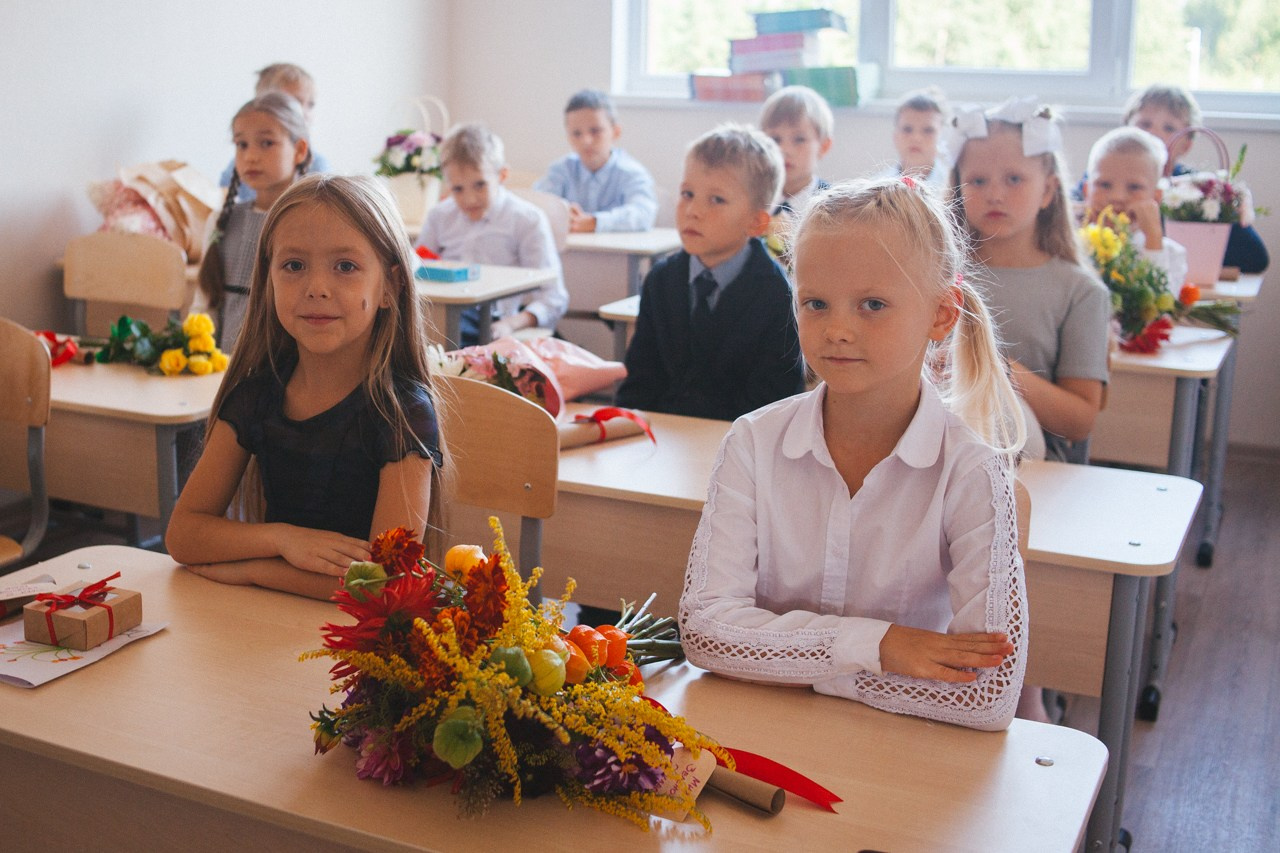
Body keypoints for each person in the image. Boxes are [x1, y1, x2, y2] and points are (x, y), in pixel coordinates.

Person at [679, 177, 1029, 732]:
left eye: (873, 305)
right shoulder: (752, 442)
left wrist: (788, 662)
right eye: (815, 303)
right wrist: (880, 646)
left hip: (901, 754)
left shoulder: (972, 473)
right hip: (761, 732)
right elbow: (704, 631)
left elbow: (985, 695)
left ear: (942, 314)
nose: (837, 329)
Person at [167, 175, 444, 601]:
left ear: (390, 286)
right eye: (293, 266)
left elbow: (383, 585)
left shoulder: (403, 413)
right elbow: (183, 535)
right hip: (262, 627)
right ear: (269, 279)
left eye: (345, 267)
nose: (316, 288)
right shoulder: (256, 395)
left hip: (355, 646)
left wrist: (255, 571)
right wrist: (282, 540)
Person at [950, 97, 1110, 463]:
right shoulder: (937, 274)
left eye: (1014, 179)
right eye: (977, 180)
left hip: (1031, 476)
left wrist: (997, 369)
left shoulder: (1080, 293)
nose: (994, 193)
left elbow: (1079, 421)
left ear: (1049, 191)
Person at [615, 123, 804, 420]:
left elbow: (776, 405)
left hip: (737, 447)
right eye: (687, 193)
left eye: (716, 200)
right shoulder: (661, 280)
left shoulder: (776, 294)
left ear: (756, 222)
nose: (693, 211)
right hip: (662, 442)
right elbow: (640, 383)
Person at [416, 123, 568, 344]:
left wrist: (511, 324)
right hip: (440, 310)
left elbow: (554, 297)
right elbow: (416, 268)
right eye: (458, 189)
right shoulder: (439, 216)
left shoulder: (527, 220)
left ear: (502, 175)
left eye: (480, 185)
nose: (469, 199)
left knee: (444, 338)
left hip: (491, 318)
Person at [198, 92, 311, 351]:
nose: (250, 156)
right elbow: (203, 305)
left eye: (267, 143)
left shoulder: (312, 223)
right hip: (224, 368)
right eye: (242, 145)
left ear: (299, 150)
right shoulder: (222, 221)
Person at [1123, 84, 1268, 273]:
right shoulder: (1102, 182)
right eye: (1144, 124)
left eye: (1169, 128)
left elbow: (1255, 260)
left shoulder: (1196, 190)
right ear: (1124, 132)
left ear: (1186, 145)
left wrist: (1225, 202)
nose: (1154, 134)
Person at [534, 89, 657, 233]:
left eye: (595, 131)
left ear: (616, 132)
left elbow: (643, 214)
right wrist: (560, 212)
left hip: (615, 253)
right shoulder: (560, 170)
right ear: (568, 137)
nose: (586, 141)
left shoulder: (631, 173)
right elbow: (536, 207)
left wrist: (595, 222)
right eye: (576, 133)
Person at [1086, 126, 1187, 286]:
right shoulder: (1072, 245)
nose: (1117, 197)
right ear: (1087, 191)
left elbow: (1160, 303)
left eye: (1134, 187)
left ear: (1156, 198)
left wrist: (1153, 240)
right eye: (1104, 185)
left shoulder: (1172, 255)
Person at [219, 63, 330, 203]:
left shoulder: (318, 168)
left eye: (311, 104)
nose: (304, 113)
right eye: (293, 102)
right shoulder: (238, 169)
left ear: (300, 151)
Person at [759, 85, 833, 217]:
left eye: (799, 139)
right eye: (775, 139)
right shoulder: (752, 200)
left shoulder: (833, 206)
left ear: (823, 146)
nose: (785, 150)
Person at [875, 87, 949, 187]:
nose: (916, 138)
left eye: (928, 130)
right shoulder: (877, 186)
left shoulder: (953, 189)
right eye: (907, 129)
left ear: (941, 136)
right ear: (895, 135)